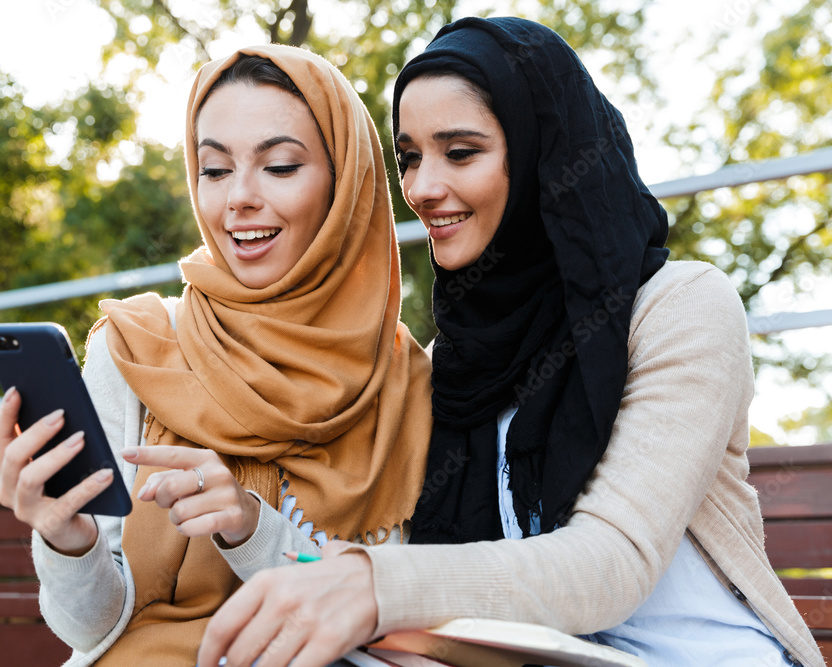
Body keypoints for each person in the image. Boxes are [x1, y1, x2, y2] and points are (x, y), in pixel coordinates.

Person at [198, 17, 825, 667]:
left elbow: (612, 563)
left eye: (460, 152)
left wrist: (375, 584)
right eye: (409, 157)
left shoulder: (679, 306)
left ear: (538, 153)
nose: (420, 187)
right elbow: (378, 568)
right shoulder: (455, 362)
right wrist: (246, 524)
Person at [0, 44, 432, 666]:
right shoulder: (136, 347)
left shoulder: (410, 385)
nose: (238, 199)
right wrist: (66, 537)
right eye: (215, 170)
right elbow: (90, 630)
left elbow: (392, 616)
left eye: (279, 167)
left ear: (346, 182)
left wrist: (252, 531)